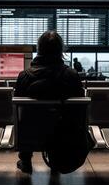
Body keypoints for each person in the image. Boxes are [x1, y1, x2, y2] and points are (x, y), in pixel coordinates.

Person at [14, 30, 84, 173]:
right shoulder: (71, 75)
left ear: (39, 49)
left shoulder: (24, 77)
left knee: (26, 117)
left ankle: (25, 159)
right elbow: (80, 106)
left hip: (31, 133)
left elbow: (18, 107)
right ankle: (56, 157)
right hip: (64, 134)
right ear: (60, 50)